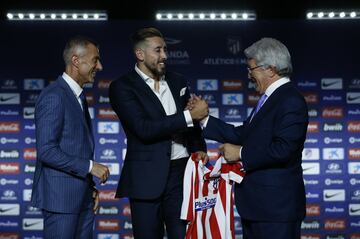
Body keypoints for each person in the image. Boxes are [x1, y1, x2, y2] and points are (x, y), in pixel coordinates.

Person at [189, 37, 308, 239]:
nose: (248, 74)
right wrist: (204, 119)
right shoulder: (270, 99)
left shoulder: (290, 100)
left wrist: (240, 153)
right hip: (259, 207)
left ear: (270, 69)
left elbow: (284, 149)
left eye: (251, 69)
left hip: (276, 210)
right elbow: (242, 134)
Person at [109, 27, 207, 239]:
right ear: (140, 54)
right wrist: (189, 116)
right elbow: (144, 129)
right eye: (158, 50)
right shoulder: (122, 87)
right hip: (146, 178)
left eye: (165, 49)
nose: (165, 55)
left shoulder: (178, 81)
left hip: (181, 175)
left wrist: (199, 147)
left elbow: (192, 124)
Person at [31, 36, 110, 239]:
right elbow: (47, 151)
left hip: (82, 197)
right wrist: (91, 167)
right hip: (61, 200)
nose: (99, 66)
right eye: (95, 60)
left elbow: (76, 146)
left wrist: (90, 187)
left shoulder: (78, 96)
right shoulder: (54, 96)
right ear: (76, 61)